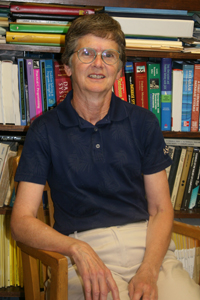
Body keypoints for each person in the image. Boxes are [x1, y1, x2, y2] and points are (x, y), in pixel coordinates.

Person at [11, 13, 200, 300]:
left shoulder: (143, 123)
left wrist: (149, 270)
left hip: (148, 248)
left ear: (119, 68)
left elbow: (161, 209)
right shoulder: (43, 130)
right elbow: (22, 220)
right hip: (82, 250)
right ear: (67, 65)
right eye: (87, 53)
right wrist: (76, 249)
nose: (98, 63)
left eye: (109, 55)